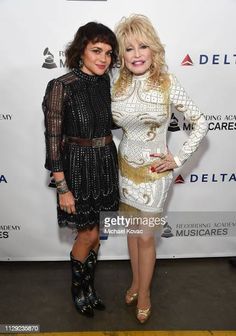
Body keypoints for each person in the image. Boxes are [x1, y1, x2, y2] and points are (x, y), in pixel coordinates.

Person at [111, 14, 208, 323]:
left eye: (143, 46)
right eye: (129, 48)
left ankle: (146, 292)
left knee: (145, 237)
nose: (137, 54)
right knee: (131, 231)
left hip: (155, 175)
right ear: (121, 55)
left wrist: (178, 160)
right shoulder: (116, 85)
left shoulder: (168, 83)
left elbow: (201, 123)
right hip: (124, 169)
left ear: (153, 50)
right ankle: (136, 283)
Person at [42, 22, 119, 317]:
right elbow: (52, 140)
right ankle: (79, 290)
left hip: (105, 166)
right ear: (81, 51)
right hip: (78, 167)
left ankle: (90, 288)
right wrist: (62, 187)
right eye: (96, 50)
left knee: (96, 233)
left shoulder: (103, 83)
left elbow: (110, 123)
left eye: (109, 53)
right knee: (86, 234)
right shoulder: (62, 86)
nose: (103, 59)